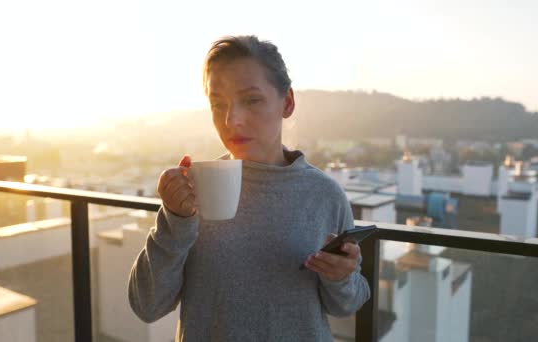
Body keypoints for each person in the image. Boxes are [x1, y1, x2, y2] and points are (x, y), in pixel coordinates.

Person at [128, 35, 370, 342]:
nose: (232, 119)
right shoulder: (192, 191)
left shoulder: (324, 194)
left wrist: (342, 277)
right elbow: (147, 306)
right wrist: (175, 221)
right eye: (218, 104)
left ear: (288, 102)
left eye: (252, 100)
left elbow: (347, 303)